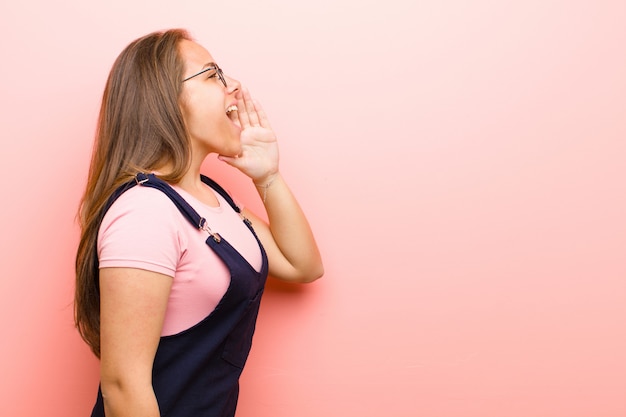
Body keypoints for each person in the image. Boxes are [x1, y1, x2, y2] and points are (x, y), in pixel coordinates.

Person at [74, 29, 324, 417]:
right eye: (213, 75)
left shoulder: (214, 198)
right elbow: (123, 387)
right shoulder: (145, 212)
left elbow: (302, 265)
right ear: (166, 100)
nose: (234, 86)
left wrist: (268, 177)